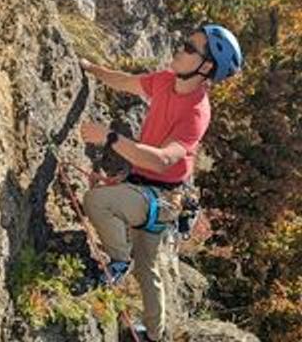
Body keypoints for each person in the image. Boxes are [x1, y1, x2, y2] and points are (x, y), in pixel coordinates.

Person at [80, 24, 243, 342]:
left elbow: (163, 160)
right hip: (146, 186)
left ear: (206, 67)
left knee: (98, 201)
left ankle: (118, 262)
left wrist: (110, 137)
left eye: (190, 48)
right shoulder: (165, 81)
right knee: (147, 267)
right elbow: (124, 81)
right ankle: (155, 335)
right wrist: (91, 69)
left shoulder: (197, 112)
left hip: (163, 198)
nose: (180, 48)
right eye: (185, 42)